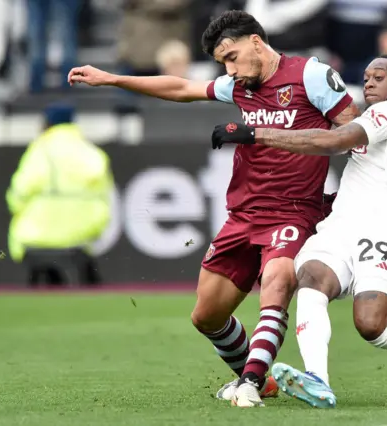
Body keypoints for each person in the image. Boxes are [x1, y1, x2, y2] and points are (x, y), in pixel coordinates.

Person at [68, 10, 360, 408]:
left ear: (257, 42)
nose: (230, 69)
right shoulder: (240, 85)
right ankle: (260, 379)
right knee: (205, 316)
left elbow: (354, 134)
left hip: (294, 213)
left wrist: (354, 197)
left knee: (275, 286)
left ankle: (252, 382)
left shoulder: (310, 75)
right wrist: (112, 78)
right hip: (243, 216)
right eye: (223, 62)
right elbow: (180, 88)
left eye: (233, 56)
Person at [211, 49, 387, 408]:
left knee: (372, 326)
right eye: (368, 76)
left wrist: (255, 133)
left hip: (382, 228)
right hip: (343, 223)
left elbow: (332, 141)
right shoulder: (380, 120)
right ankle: (318, 381)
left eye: (380, 76)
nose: (369, 82)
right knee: (311, 277)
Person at [7, 103, 112, 286]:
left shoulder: (40, 151)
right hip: (82, 236)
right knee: (86, 272)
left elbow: (19, 192)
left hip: (37, 235)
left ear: (47, 123)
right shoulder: (92, 153)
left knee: (42, 274)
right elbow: (104, 199)